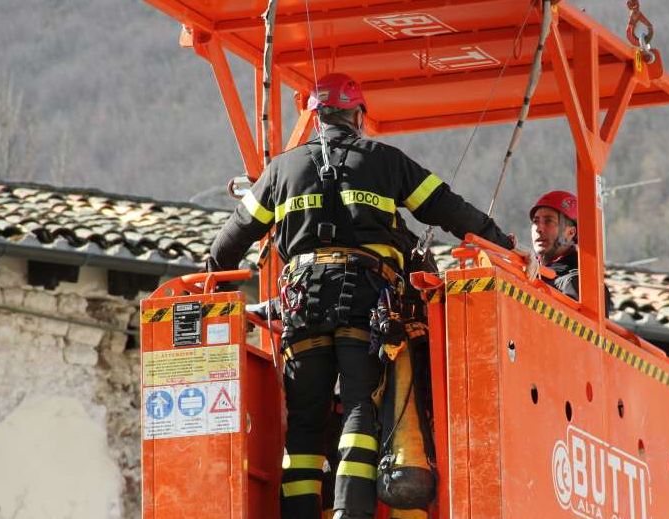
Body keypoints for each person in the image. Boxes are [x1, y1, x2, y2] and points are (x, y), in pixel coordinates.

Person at [208, 72, 512, 519]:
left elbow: (224, 247)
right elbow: (446, 207)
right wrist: (500, 244)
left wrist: (216, 293)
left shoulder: (281, 171)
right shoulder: (385, 161)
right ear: (357, 114)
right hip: (366, 302)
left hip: (302, 306)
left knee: (306, 421)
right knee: (358, 406)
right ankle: (351, 512)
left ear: (315, 117)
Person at [529, 190, 613, 314]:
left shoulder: (579, 283)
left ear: (570, 233)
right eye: (536, 221)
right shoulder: (529, 269)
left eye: (548, 221)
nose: (539, 228)